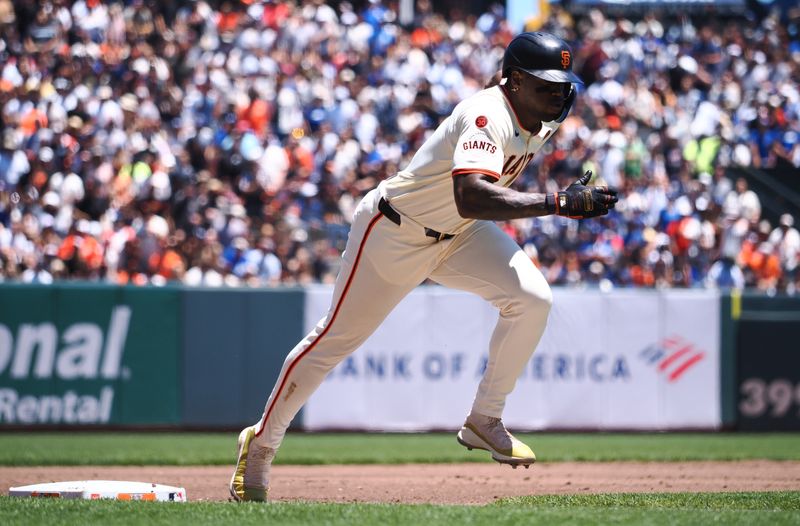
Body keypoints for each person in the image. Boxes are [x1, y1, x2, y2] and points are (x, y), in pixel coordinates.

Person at [229, 32, 619, 501]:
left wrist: (561, 196)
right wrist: (557, 202)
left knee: (533, 298)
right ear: (513, 81)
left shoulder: (540, 114)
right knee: (333, 341)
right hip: (396, 232)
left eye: (562, 86)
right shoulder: (486, 114)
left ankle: (484, 419)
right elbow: (470, 195)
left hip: (459, 235)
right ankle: (260, 444)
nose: (558, 95)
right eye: (546, 85)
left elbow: (478, 199)